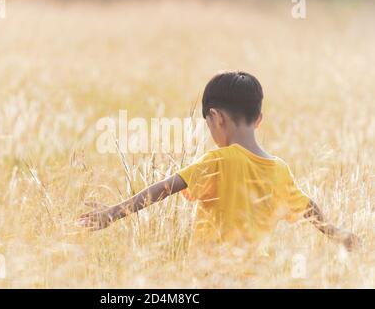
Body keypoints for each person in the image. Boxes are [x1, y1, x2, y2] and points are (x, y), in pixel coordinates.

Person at [77, 71, 360, 251]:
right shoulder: (279, 169)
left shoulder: (218, 161)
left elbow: (164, 188)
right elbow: (308, 206)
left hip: (211, 277)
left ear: (217, 118)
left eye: (209, 124)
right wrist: (336, 233)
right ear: (258, 120)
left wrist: (112, 213)